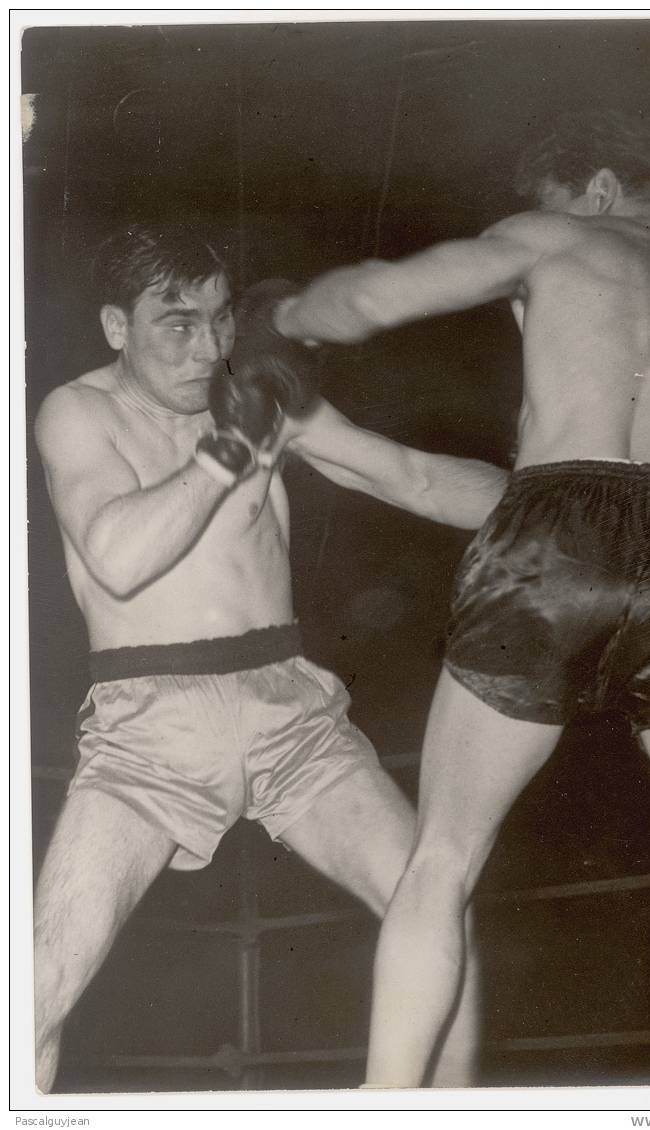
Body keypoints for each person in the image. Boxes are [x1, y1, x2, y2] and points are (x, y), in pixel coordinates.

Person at [273, 110, 650, 1086]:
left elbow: (375, 299)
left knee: (437, 862)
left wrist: (288, 317)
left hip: (549, 533)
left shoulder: (559, 237)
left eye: (547, 204)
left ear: (592, 187)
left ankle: (383, 1103)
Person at [32, 222, 509, 1093]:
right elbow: (120, 555)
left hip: (295, 716)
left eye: (217, 320)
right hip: (149, 731)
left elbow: (417, 479)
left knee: (441, 920)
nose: (204, 346)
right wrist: (226, 451)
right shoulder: (77, 412)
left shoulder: (259, 396)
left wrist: (565, 505)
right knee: (32, 995)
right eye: (174, 322)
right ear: (114, 327)